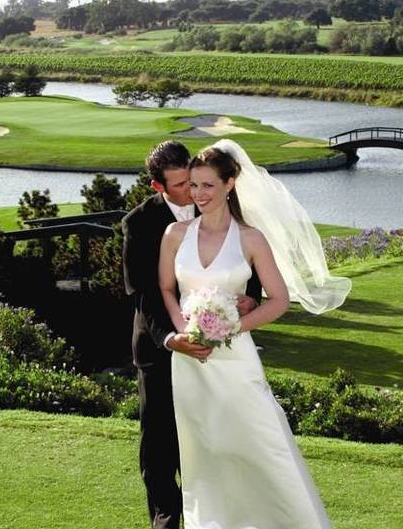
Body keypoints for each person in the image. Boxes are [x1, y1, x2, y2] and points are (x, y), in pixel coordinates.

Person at [158, 140, 350, 529]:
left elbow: (278, 301)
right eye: (194, 186)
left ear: (230, 184)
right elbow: (166, 288)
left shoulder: (250, 239)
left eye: (209, 185)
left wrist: (231, 327)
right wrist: (185, 332)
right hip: (189, 363)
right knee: (205, 451)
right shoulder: (174, 234)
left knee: (260, 445)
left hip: (235, 360)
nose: (199, 194)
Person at [122, 140, 262, 529]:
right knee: (160, 442)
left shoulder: (223, 203)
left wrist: (247, 302)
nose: (193, 192)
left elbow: (241, 263)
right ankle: (166, 519)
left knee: (216, 436)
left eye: (195, 180)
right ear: (158, 187)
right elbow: (145, 293)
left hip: (219, 348)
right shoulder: (139, 223)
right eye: (181, 185)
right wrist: (172, 338)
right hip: (159, 349)